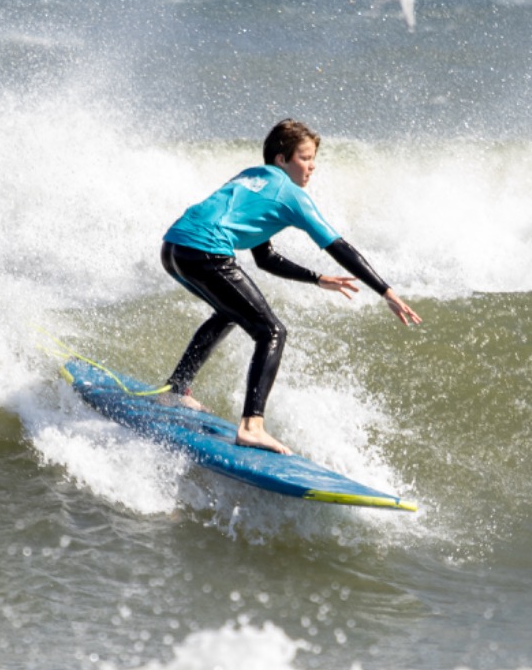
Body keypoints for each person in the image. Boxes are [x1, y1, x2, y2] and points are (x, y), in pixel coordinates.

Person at [158, 119, 420, 454]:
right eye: (305, 158)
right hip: (206, 250)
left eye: (313, 160)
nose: (312, 167)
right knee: (272, 332)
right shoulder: (291, 195)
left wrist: (316, 278)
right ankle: (252, 426)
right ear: (282, 159)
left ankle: (176, 390)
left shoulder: (252, 177)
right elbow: (339, 246)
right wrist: (386, 292)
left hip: (174, 247)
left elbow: (264, 256)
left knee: (229, 312)